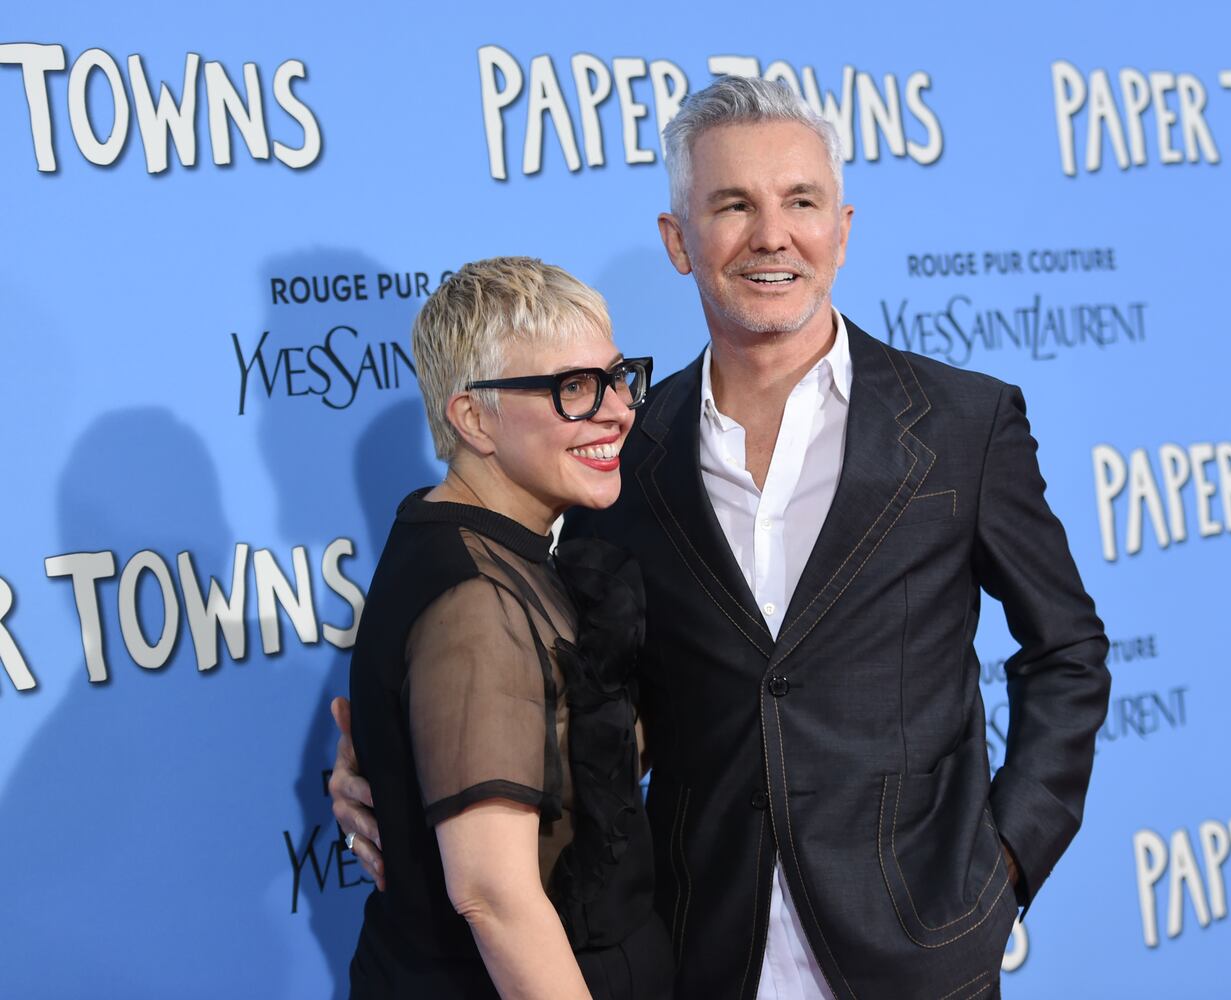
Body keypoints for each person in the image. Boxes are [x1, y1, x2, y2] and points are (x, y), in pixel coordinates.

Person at [334, 78, 1110, 999]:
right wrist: (395, 770)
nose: (771, 235)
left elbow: (1066, 650)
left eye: (801, 202)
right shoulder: (620, 455)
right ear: (679, 240)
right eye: (733, 205)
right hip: (701, 951)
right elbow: (570, 693)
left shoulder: (961, 423)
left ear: (842, 229)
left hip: (921, 952)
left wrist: (1005, 865)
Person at [342, 257, 671, 998]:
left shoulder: (495, 546)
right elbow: (493, 899)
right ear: (473, 419)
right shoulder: (477, 599)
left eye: (617, 377)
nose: (619, 410)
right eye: (573, 388)